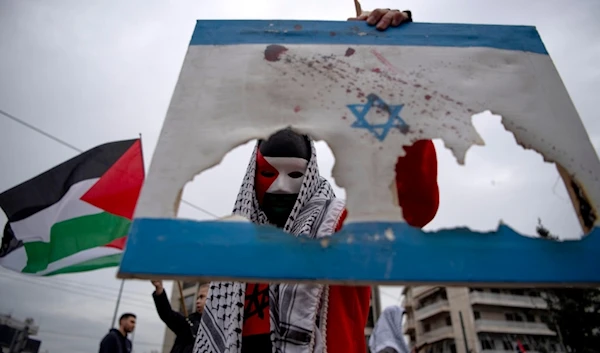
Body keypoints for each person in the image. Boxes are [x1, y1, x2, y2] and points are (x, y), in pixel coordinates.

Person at [194, 8, 438, 353]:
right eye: (268, 173)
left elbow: (411, 207)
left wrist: (391, 81)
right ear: (253, 176)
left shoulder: (340, 228)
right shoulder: (232, 248)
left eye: (294, 174)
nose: (280, 186)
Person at [152, 281, 208, 353]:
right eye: (197, 298)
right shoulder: (189, 322)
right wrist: (159, 289)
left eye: (202, 297)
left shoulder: (221, 326)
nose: (197, 301)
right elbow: (168, 315)